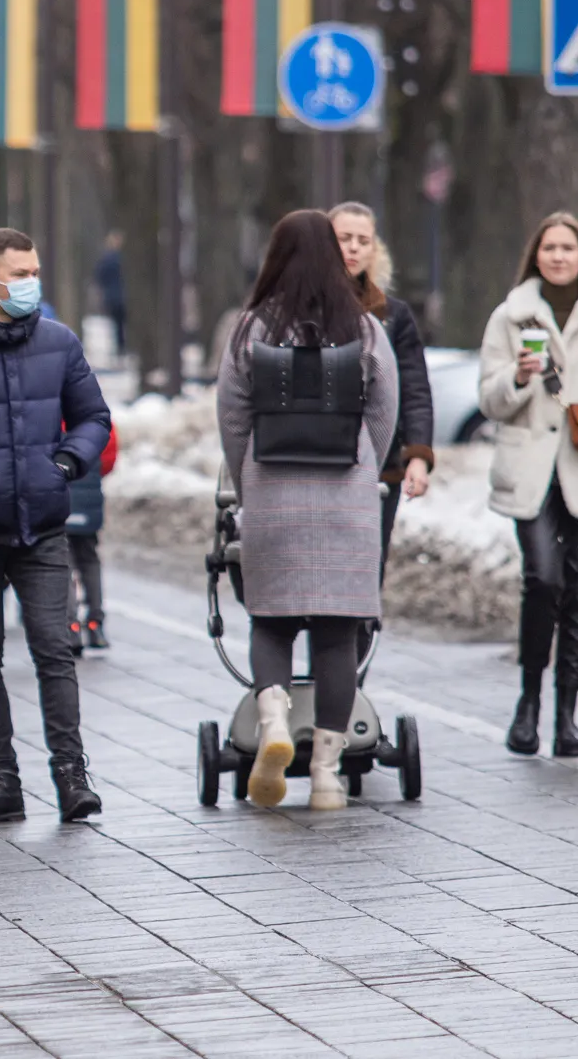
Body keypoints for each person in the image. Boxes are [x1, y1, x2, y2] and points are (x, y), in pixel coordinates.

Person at [221, 210, 400, 809]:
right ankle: (325, 774)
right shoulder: (365, 328)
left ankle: (273, 724)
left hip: (273, 492)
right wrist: (362, 467)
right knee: (336, 635)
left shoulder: (252, 327)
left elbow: (232, 414)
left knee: (269, 620)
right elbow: (384, 410)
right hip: (345, 495)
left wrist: (249, 480)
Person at [0, 228, 111, 825]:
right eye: (19, 273)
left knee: (55, 649)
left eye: (34, 271)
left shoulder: (59, 341)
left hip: (43, 526)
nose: (30, 283)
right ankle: (2, 780)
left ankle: (72, 775)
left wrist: (66, 461)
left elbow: (93, 415)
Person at [479, 212, 578, 756]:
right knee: (543, 580)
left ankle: (567, 716)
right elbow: (488, 401)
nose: (559, 256)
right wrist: (518, 378)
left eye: (568, 247)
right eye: (550, 248)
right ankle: (529, 703)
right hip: (532, 472)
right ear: (536, 255)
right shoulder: (510, 317)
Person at [329, 203, 434, 573]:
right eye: (344, 238)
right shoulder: (303, 308)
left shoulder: (393, 315)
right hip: (318, 460)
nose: (354, 248)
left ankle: (364, 632)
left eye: (363, 240)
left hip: (380, 465)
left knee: (368, 570)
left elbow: (415, 389)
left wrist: (418, 455)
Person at [63, 425, 116, 653]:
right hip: (89, 497)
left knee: (63, 563)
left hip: (59, 496)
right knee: (89, 560)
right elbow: (109, 457)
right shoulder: (95, 417)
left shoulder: (48, 410)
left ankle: (70, 627)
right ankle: (95, 624)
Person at [94, 231, 127, 358]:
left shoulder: (107, 258)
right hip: (117, 295)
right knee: (119, 323)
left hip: (113, 295)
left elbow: (99, 276)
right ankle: (121, 348)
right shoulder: (116, 259)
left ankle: (120, 347)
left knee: (118, 324)